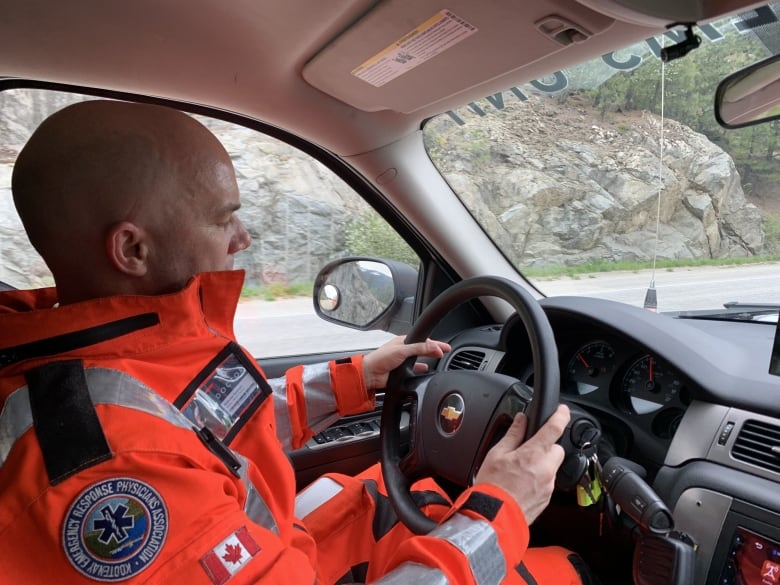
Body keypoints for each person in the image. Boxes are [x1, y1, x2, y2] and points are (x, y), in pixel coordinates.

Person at [0, 100, 585, 584]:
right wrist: (499, 509)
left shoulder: (110, 355)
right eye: (222, 218)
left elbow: (203, 425)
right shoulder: (109, 470)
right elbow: (158, 451)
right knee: (561, 570)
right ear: (132, 250)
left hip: (273, 547)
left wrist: (355, 380)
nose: (242, 238)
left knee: (397, 495)